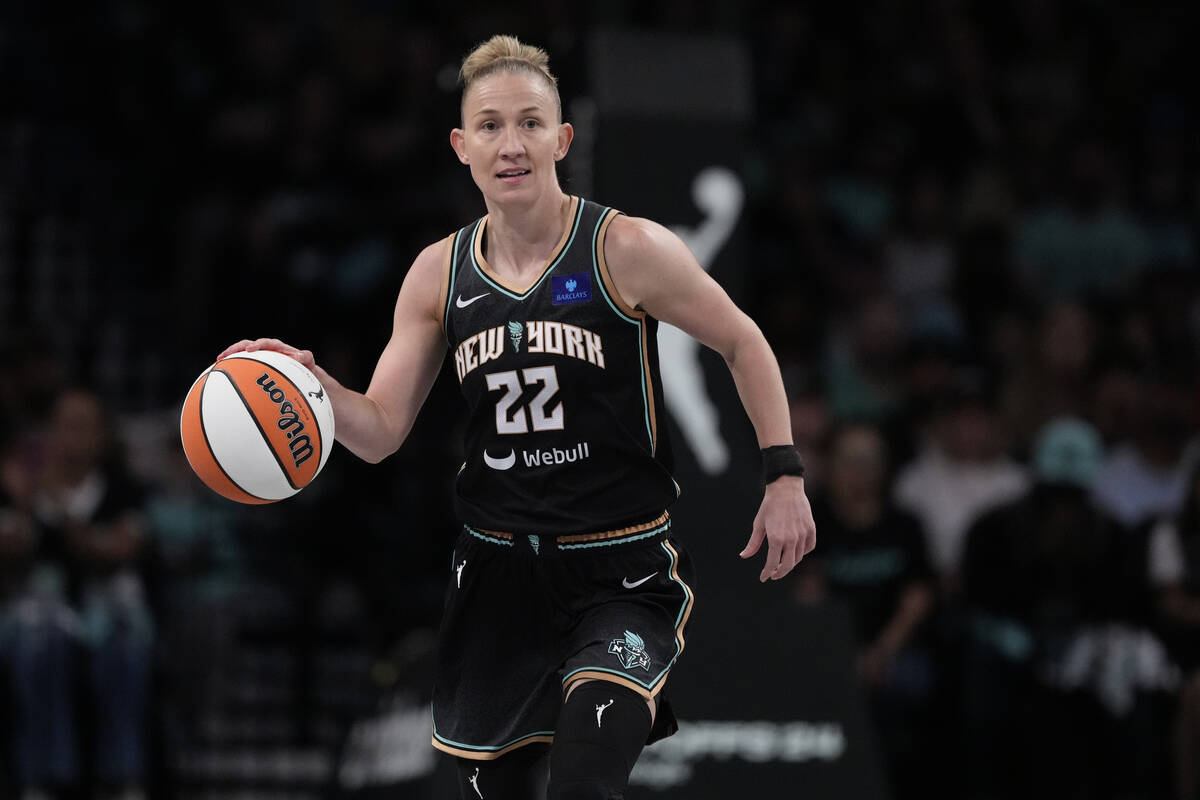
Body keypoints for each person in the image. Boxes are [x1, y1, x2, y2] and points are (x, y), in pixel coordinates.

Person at [218, 34, 816, 800]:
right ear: (461, 146)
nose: (512, 144)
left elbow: (743, 339)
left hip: (619, 569)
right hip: (499, 576)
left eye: (531, 123)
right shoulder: (439, 271)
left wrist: (784, 473)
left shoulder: (623, 246)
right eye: (492, 125)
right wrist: (312, 386)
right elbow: (379, 433)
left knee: (582, 784)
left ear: (562, 139)